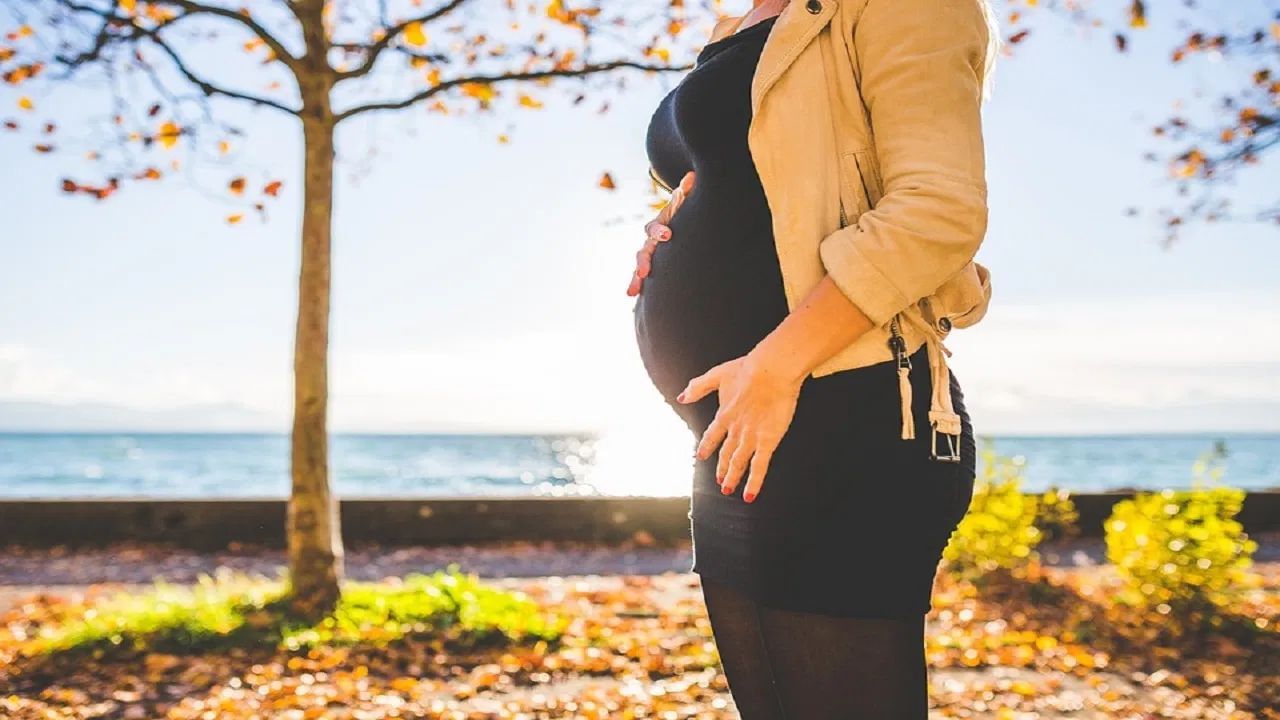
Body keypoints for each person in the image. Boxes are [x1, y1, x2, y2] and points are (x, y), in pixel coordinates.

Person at [627, 0, 1000, 717]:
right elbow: (754, 179)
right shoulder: (739, 25)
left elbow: (939, 208)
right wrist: (671, 221)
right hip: (737, 434)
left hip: (842, 415)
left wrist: (774, 365)